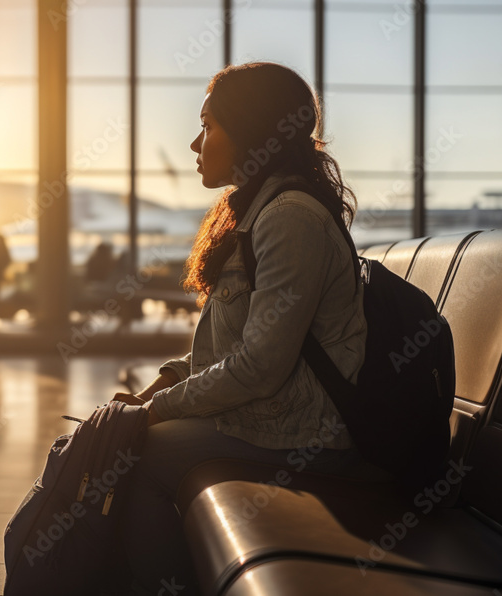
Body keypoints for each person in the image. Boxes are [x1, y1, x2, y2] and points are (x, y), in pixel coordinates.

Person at [110, 62, 370, 594]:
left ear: (251, 128)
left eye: (207, 125)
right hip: (277, 422)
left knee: (138, 455)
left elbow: (257, 368)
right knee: (131, 435)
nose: (193, 142)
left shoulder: (288, 217)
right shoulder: (257, 213)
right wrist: (155, 390)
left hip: (308, 439)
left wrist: (154, 413)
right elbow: (222, 350)